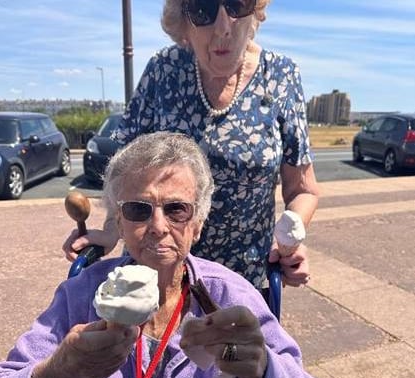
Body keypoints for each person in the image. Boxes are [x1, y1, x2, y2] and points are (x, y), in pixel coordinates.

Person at [0, 132, 340, 378]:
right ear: (118, 223)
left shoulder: (231, 300)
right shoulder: (82, 296)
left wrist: (260, 372)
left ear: (198, 223)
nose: (157, 226)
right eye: (138, 209)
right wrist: (56, 374)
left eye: (176, 209)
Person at [64, 0, 319, 290]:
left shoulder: (281, 76)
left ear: (255, 11)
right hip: (156, 271)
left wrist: (288, 241)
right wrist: (111, 231)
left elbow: (303, 190)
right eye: (203, 10)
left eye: (237, 6)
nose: (223, 28)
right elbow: (124, 173)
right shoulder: (164, 70)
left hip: (242, 281)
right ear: (183, 24)